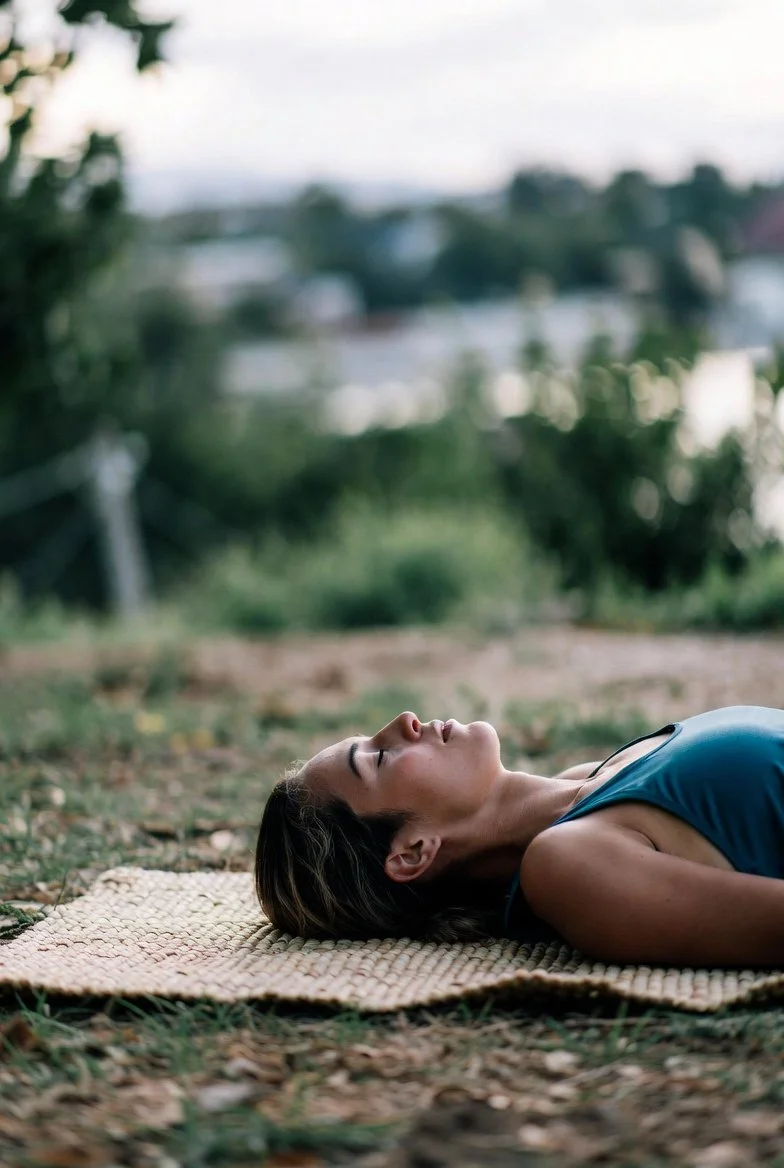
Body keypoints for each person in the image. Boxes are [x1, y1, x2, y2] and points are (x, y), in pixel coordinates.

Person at [255, 706, 784, 968]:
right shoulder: (569, 863)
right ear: (413, 851)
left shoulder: (589, 777)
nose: (405, 720)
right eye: (378, 758)